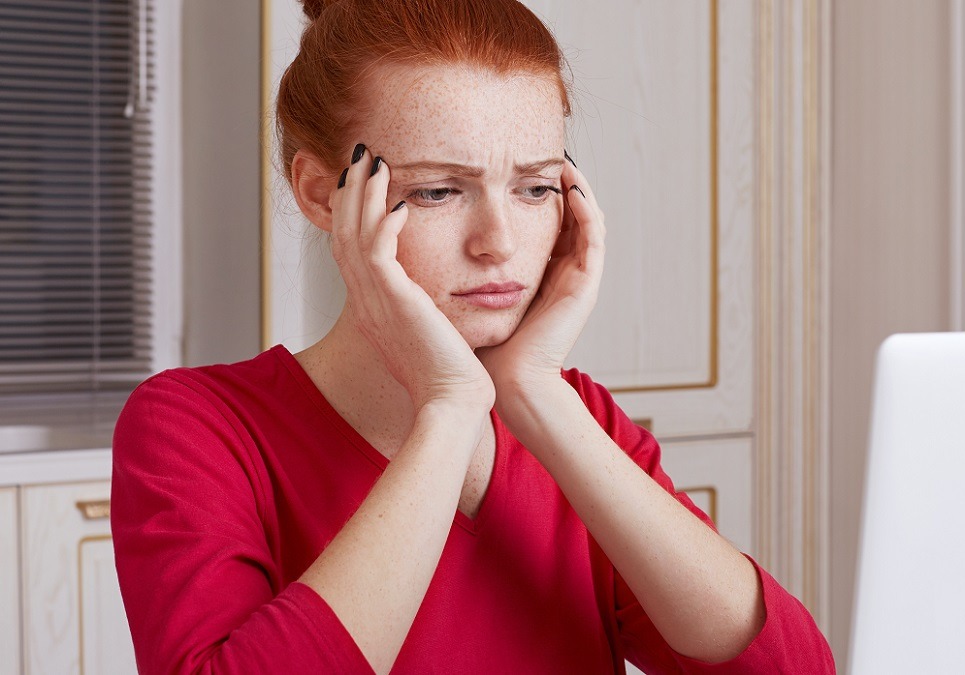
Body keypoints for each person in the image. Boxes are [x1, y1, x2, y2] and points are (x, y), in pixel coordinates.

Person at [110, 0, 834, 672]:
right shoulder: (197, 427)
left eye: (534, 188)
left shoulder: (579, 422)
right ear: (320, 193)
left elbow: (794, 666)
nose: (499, 242)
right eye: (437, 190)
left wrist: (535, 396)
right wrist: (450, 408)